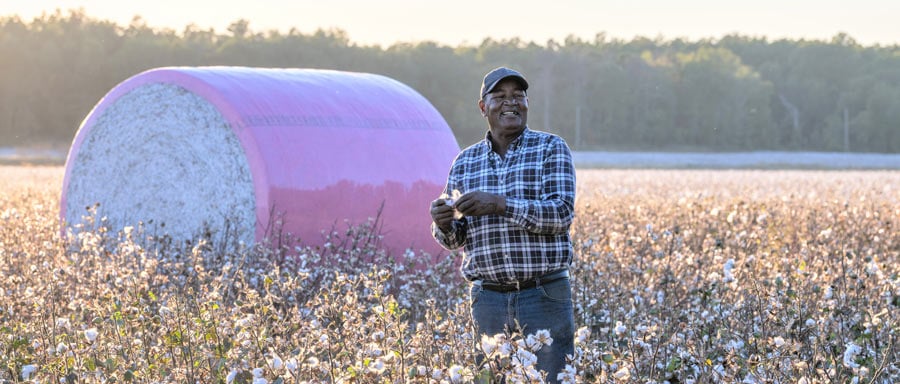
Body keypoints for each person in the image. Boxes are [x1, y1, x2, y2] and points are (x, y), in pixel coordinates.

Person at [430, 66, 576, 382]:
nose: (511, 103)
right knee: (492, 378)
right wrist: (443, 223)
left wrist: (499, 204)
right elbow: (456, 239)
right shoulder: (465, 161)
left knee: (552, 378)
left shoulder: (551, 148)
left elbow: (561, 214)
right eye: (500, 96)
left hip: (544, 294)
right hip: (489, 299)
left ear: (526, 103)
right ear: (484, 107)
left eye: (518, 96)